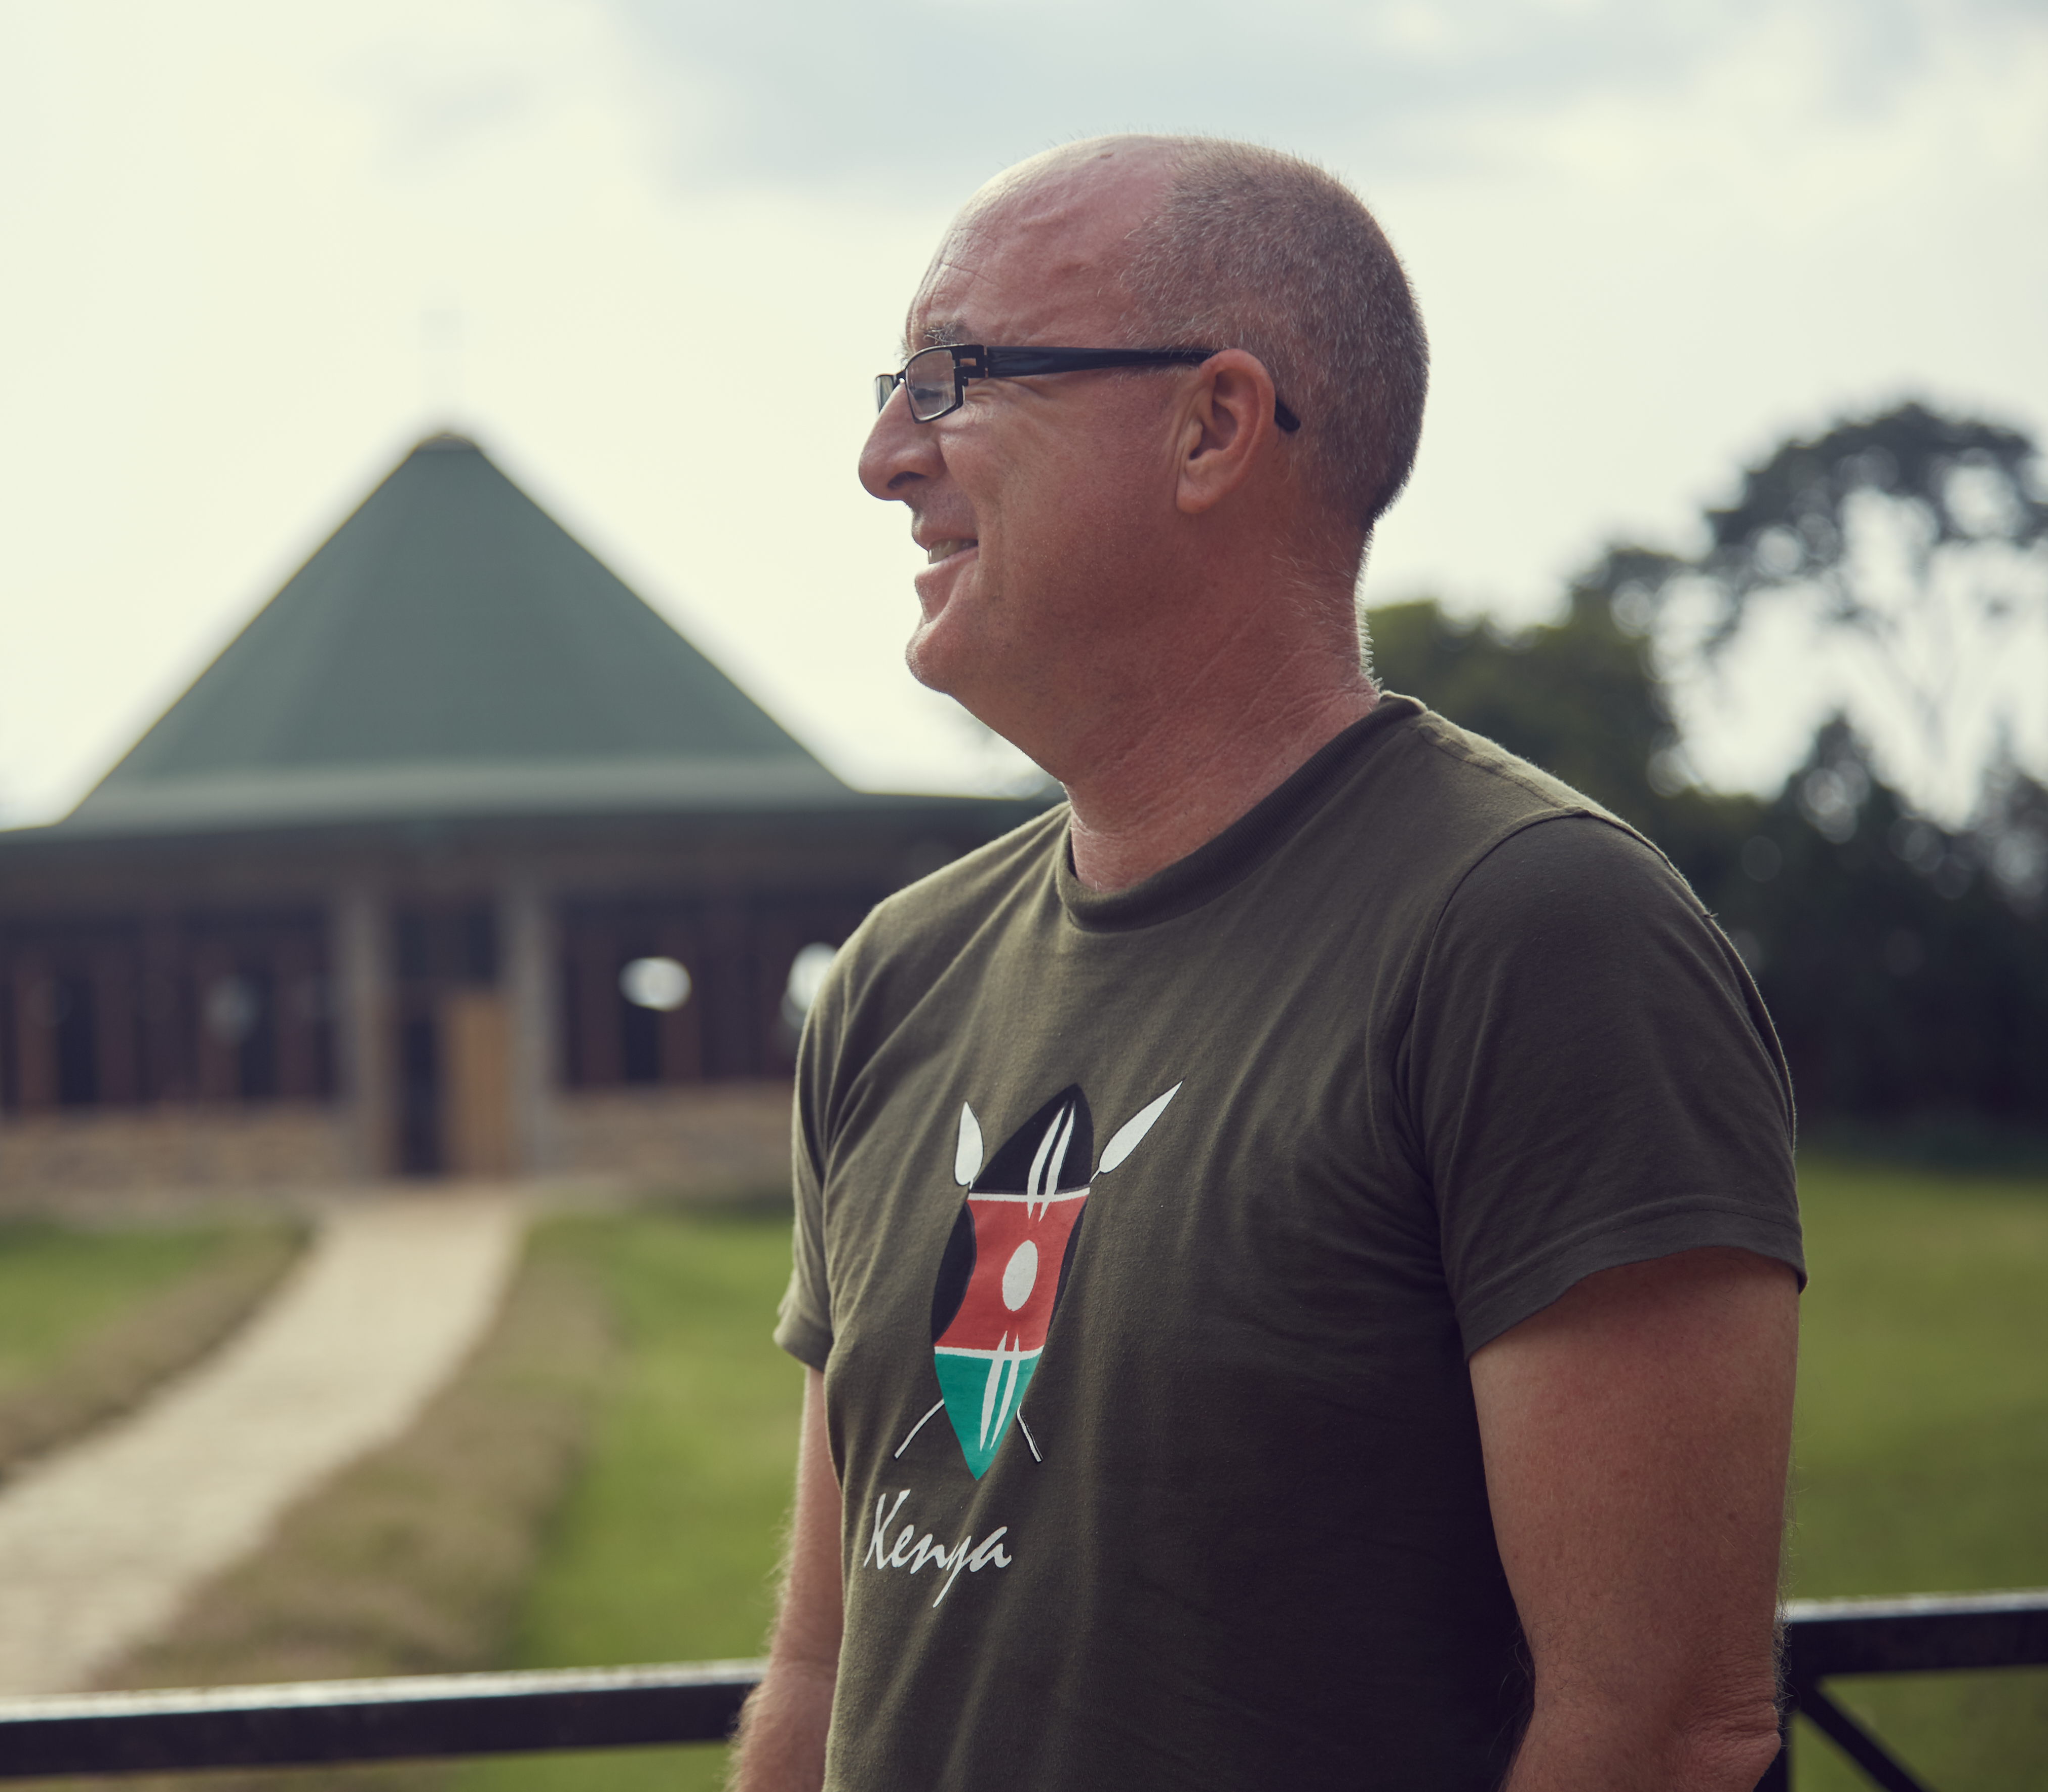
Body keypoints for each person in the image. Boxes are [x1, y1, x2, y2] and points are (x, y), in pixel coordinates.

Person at [726, 136, 1803, 1792]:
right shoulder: (893, 979)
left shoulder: (1537, 932)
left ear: (1212, 425)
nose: (883, 456)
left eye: (952, 378)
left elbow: (1662, 1735)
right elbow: (822, 1663)